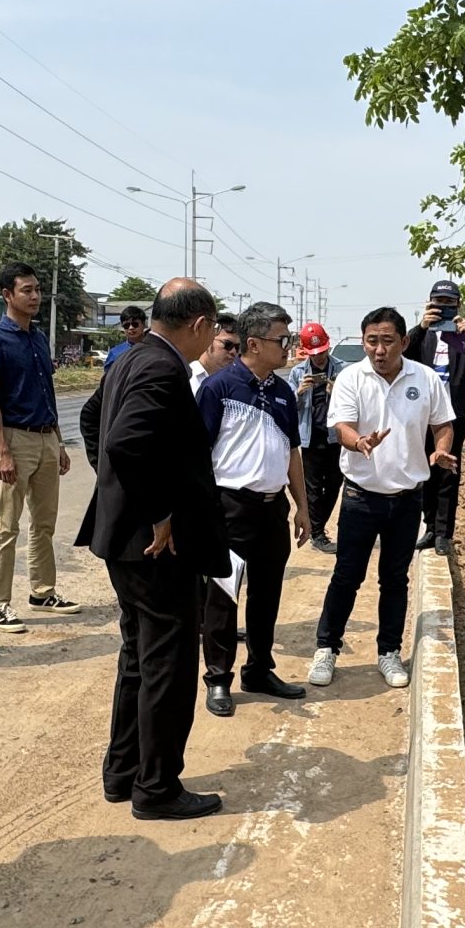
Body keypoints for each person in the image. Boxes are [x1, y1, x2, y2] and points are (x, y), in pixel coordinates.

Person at [78, 278, 229, 820]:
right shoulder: (161, 367)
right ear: (198, 325)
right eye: (211, 329)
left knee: (139, 657)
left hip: (125, 539)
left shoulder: (129, 357)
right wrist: (157, 511)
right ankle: (158, 787)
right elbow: (124, 441)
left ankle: (123, 773)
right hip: (155, 546)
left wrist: (115, 491)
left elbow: (95, 422)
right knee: (167, 660)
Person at [308, 305, 458, 691]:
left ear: (404, 342)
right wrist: (358, 442)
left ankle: (388, 652)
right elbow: (340, 425)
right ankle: (327, 648)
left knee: (395, 579)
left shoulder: (423, 378)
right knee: (347, 576)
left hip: (407, 500)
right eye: (371, 341)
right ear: (363, 342)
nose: (379, 350)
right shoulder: (351, 378)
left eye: (387, 341)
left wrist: (440, 449)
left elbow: (443, 422)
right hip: (360, 497)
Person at [196, 302, 311, 717]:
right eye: (283, 339)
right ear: (255, 343)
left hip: (271, 510)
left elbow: (293, 452)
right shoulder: (219, 388)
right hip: (230, 508)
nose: (289, 346)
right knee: (223, 597)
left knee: (267, 593)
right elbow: (198, 455)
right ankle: (218, 678)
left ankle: (259, 669)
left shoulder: (282, 391)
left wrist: (302, 506)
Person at [0, 260, 78, 631]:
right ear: (8, 295)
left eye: (37, 289)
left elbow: (46, 391)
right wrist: (1, 448)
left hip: (46, 438)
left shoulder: (38, 337)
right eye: (27, 290)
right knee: (6, 526)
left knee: (44, 523)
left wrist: (59, 441)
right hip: (14, 440)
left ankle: (42, 591)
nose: (35, 296)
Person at [405, 277, 465, 557]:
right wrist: (421, 326)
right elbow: (403, 354)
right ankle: (429, 527)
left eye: (449, 303)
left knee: (448, 473)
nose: (443, 308)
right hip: (422, 414)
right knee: (425, 471)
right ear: (429, 303)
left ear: (458, 305)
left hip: (452, 414)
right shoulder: (423, 335)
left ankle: (444, 533)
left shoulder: (462, 336)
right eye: (438, 303)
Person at [77, 304, 148, 470]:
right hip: (119, 406)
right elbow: (107, 384)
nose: (131, 328)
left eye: (135, 324)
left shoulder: (154, 349)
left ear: (144, 324)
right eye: (126, 325)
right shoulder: (116, 353)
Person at [291, 320, 340, 552]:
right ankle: (318, 533)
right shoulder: (297, 372)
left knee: (333, 485)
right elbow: (289, 408)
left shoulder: (341, 369)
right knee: (312, 488)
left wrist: (336, 392)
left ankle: (318, 527)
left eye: (321, 352)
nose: (318, 358)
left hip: (334, 437)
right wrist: (299, 393)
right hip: (310, 437)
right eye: (313, 353)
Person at [190, 316, 241, 394]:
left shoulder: (234, 383)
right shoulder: (187, 376)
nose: (233, 352)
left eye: (237, 347)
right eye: (228, 345)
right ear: (209, 340)